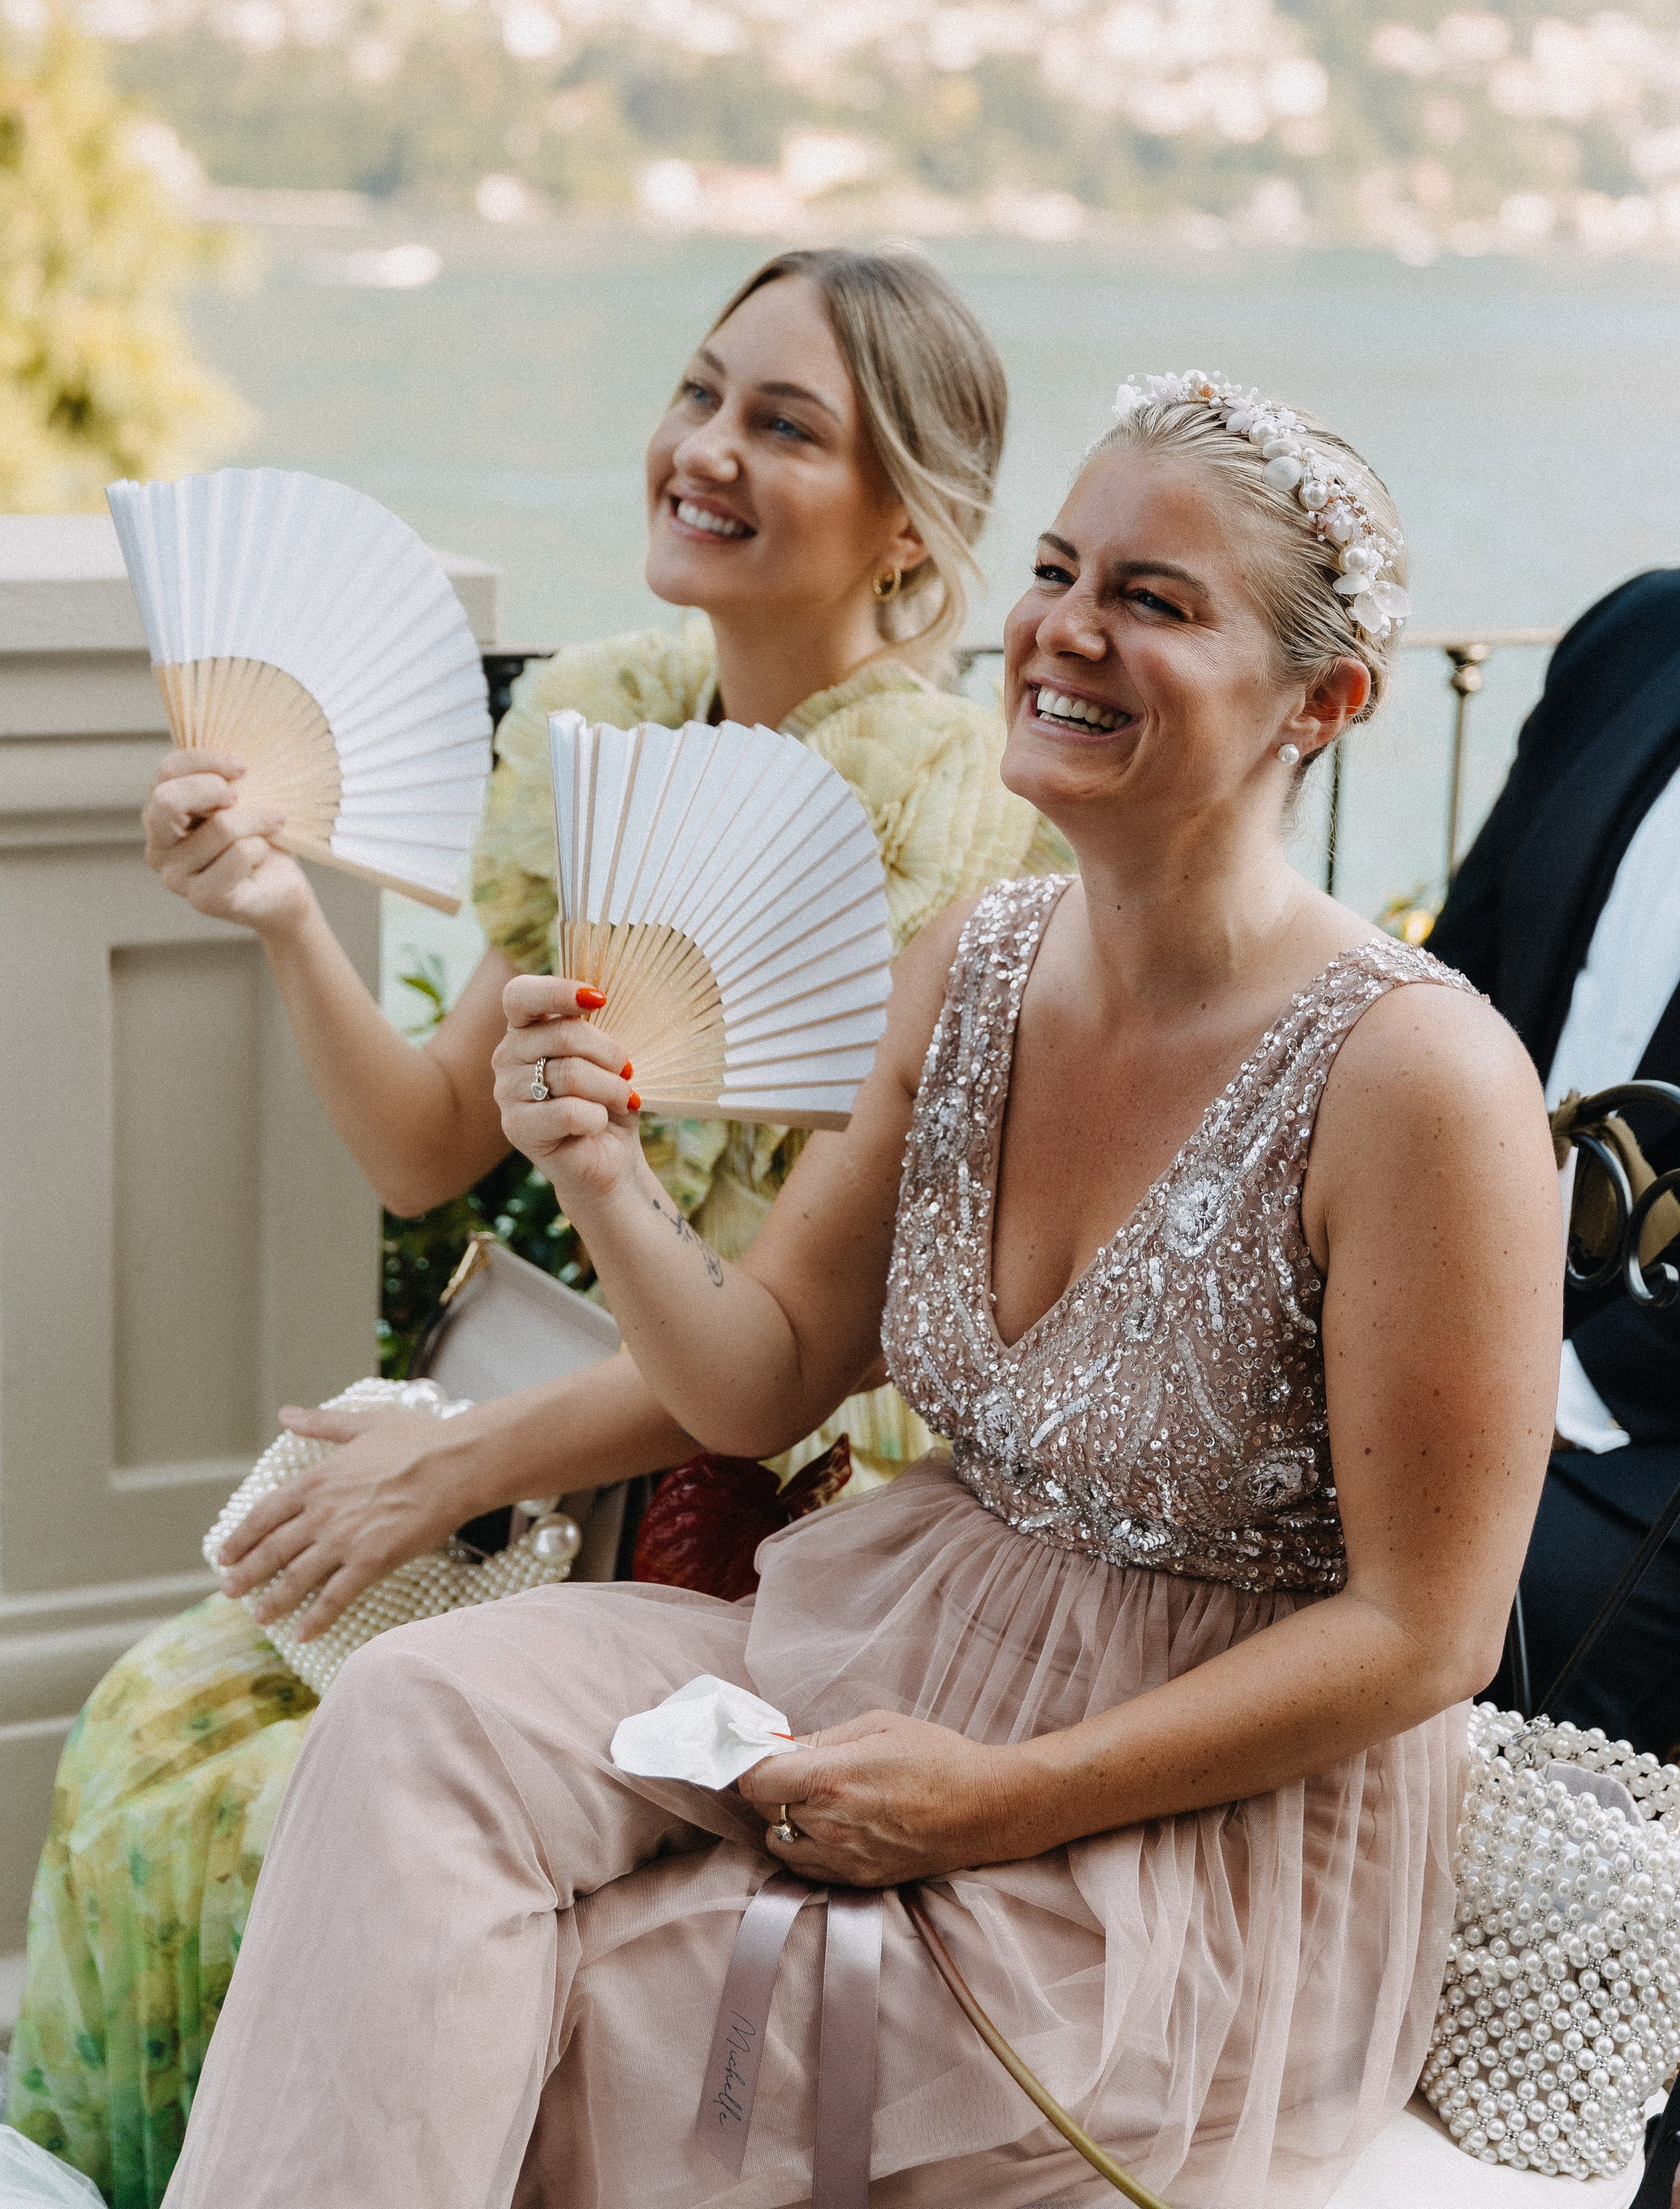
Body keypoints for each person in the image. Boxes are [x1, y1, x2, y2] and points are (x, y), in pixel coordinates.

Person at [161, 368, 1560, 2209]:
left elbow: (1426, 1637)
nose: (1063, 629)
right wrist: (597, 1171)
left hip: (1196, 1830)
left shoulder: (1420, 1083)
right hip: (885, 1629)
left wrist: (1000, 1801)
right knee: (412, 1718)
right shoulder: (968, 968)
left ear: (1331, 699)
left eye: (1153, 599)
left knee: (597, 2016)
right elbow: (758, 1382)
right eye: (1059, 570)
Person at [5, 248, 1072, 2209]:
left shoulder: (963, 837)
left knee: (248, 1822)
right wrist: (281, 912)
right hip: (572, 1423)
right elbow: (422, 1153)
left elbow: (793, 1352)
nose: (706, 447)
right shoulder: (606, 724)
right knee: (147, 1725)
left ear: (908, 523)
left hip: (789, 1493)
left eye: (784, 423)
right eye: (699, 390)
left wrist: (452, 1468)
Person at [1431, 568, 1680, 1755]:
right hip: (1463, 1312)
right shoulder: (1642, 631)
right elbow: (1458, 978)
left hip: (1651, 1425)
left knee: (1479, 1637)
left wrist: (1561, 1394)